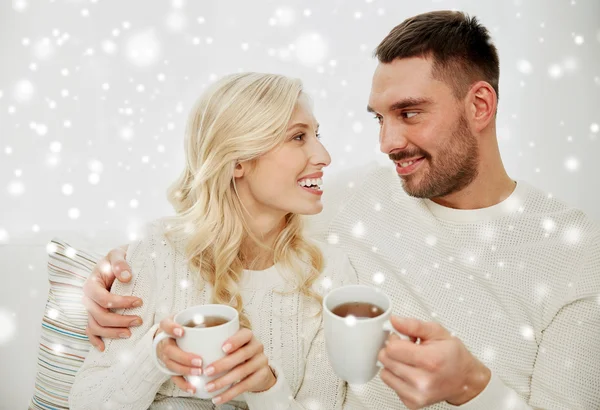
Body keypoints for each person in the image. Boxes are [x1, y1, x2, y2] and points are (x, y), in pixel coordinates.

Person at [83, 10, 600, 410]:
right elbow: (225, 220)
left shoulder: (574, 254)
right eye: (379, 118)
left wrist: (473, 386)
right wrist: (113, 273)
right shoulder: (350, 201)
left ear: (480, 106)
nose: (387, 142)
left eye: (410, 113)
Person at [69, 72, 359, 410]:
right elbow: (86, 402)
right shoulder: (156, 255)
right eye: (298, 137)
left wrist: (266, 388)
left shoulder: (330, 274)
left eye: (316, 135)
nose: (324, 155)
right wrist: (155, 355)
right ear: (238, 161)